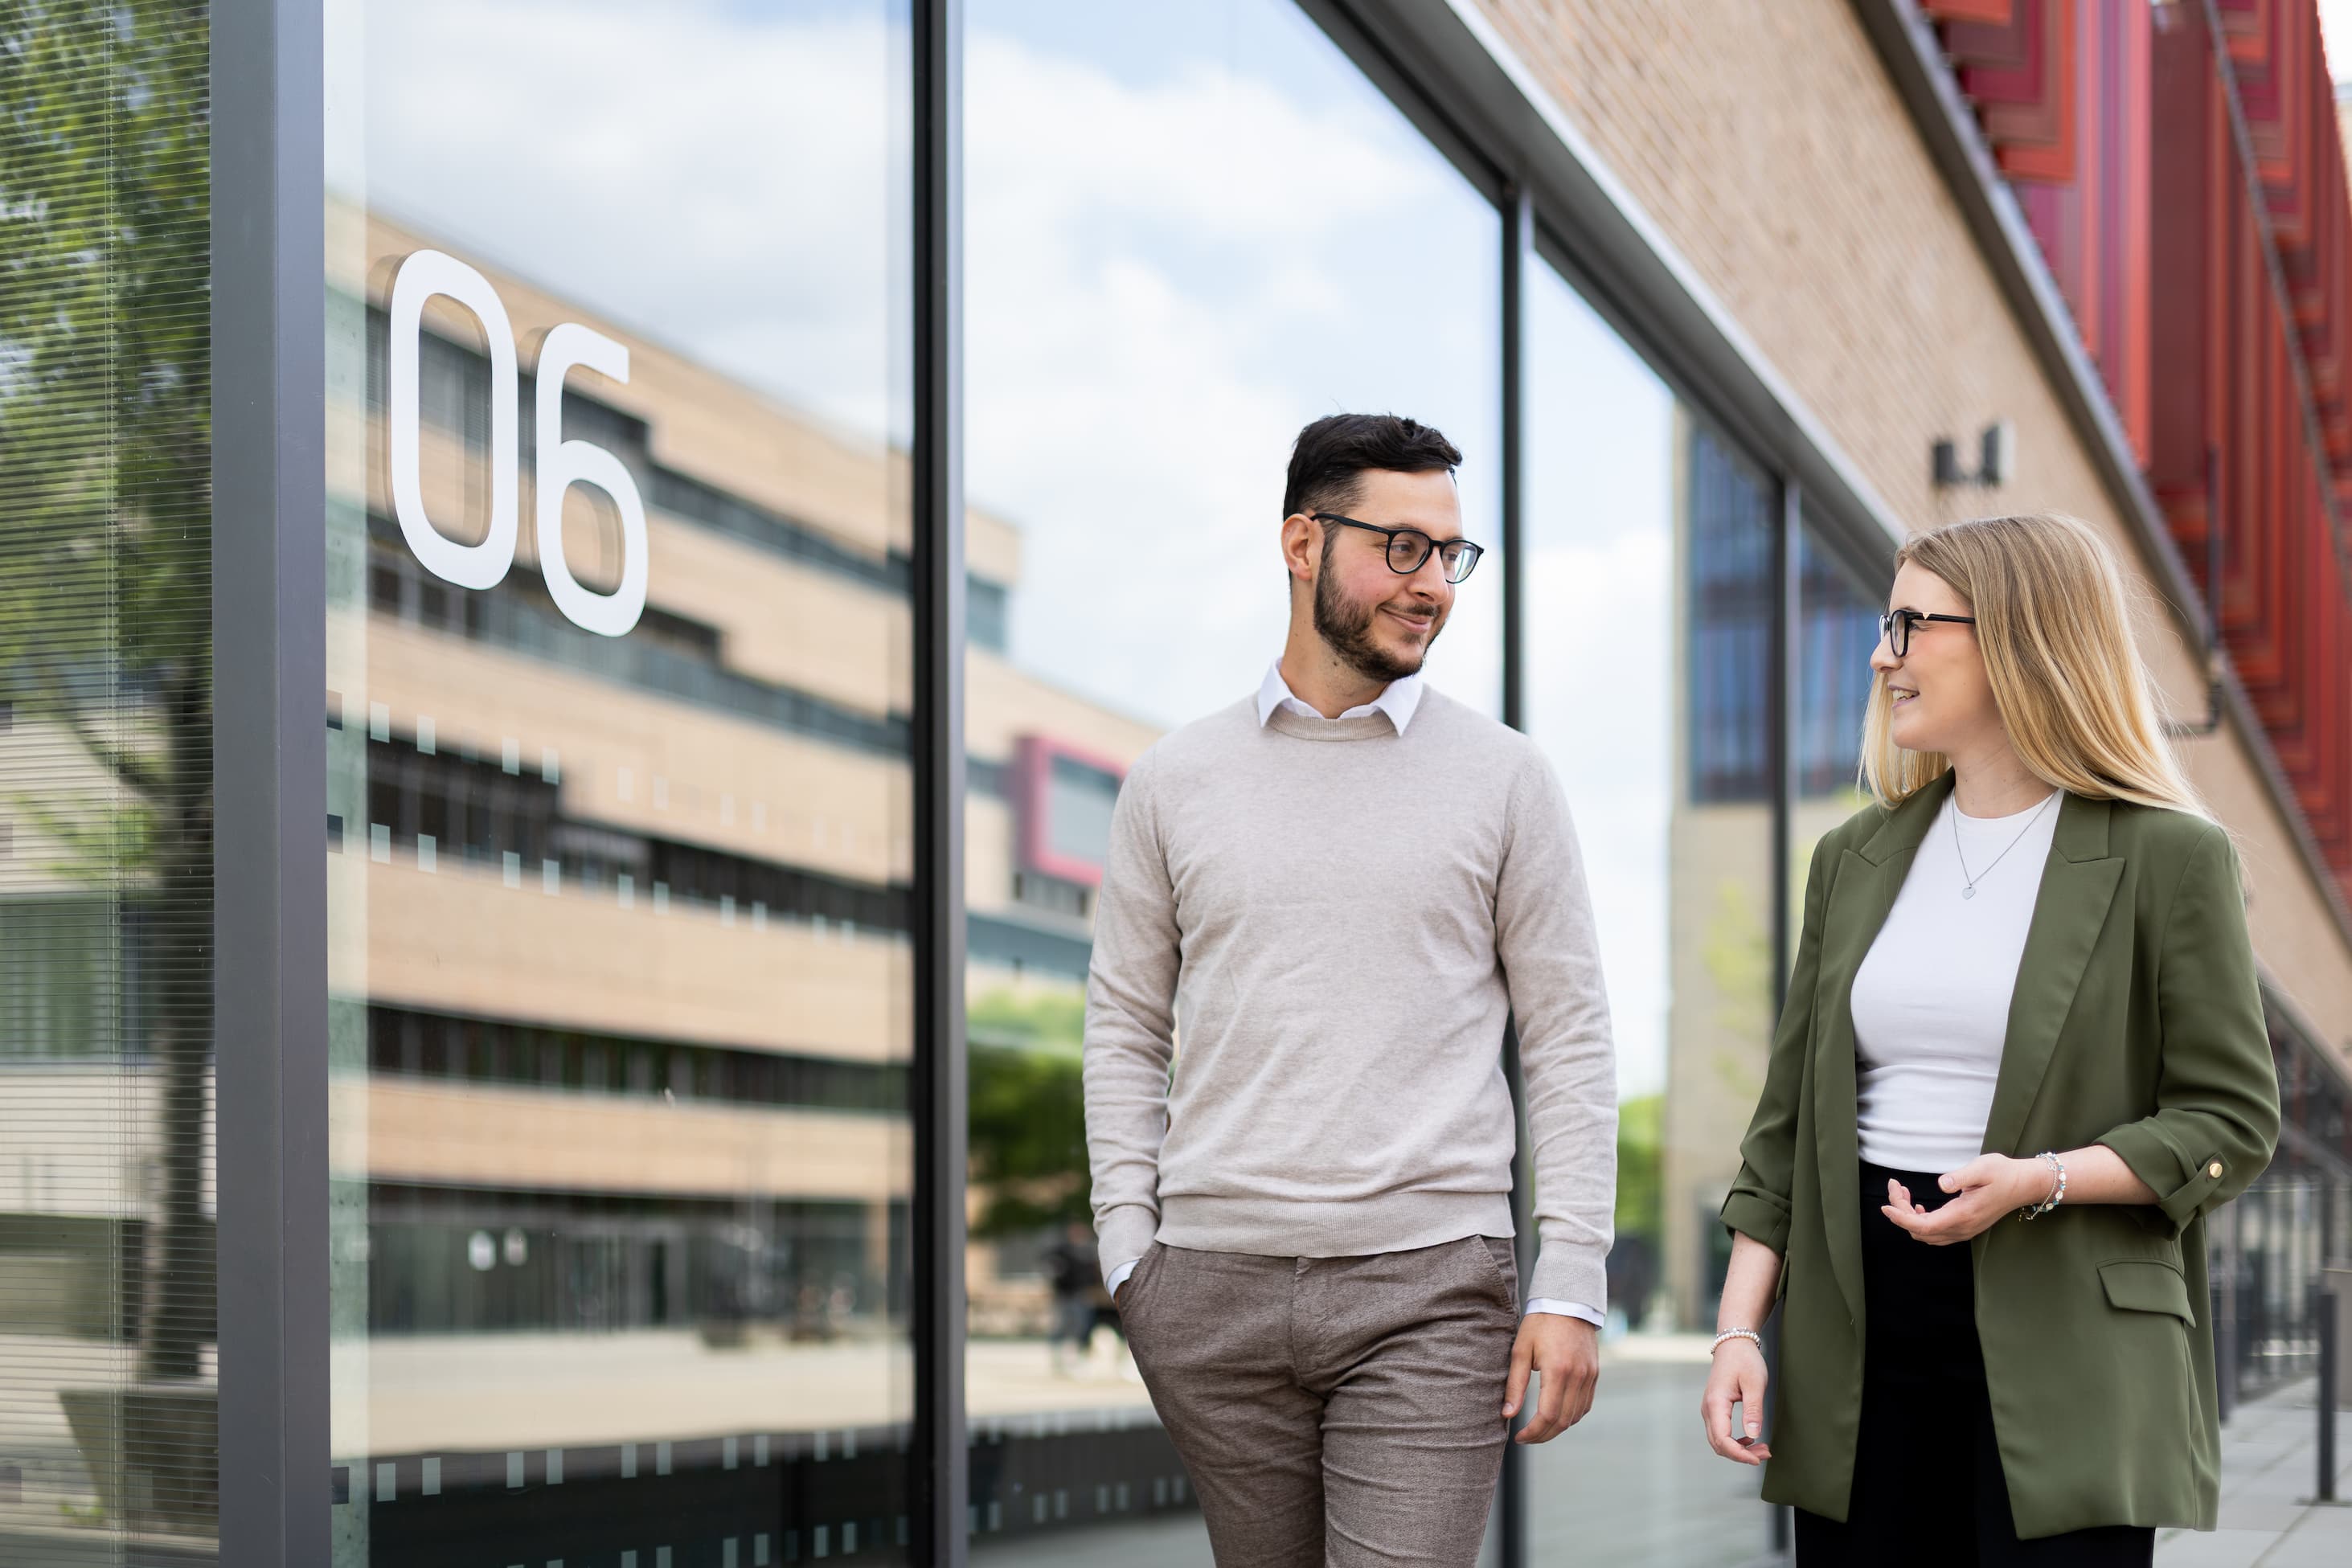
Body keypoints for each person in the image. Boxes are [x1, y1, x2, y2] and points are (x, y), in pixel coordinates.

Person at [1081, 413, 1619, 1567]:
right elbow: (1125, 1028)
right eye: (1400, 547)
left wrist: (1571, 1279)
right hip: (1208, 1292)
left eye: (1450, 555)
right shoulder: (1173, 781)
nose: (1431, 586)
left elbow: (1570, 1038)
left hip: (1429, 1289)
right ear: (1300, 543)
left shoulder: (1506, 778)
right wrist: (1131, 1250)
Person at [1700, 513, 2281, 1565]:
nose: (1881, 654)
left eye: (1909, 625)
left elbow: (2229, 1121)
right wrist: (1740, 1327)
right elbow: (1782, 1132)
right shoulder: (1854, 858)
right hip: (1860, 1330)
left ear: (2016, 636)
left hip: (2069, 1325)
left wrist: (2038, 1179)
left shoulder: (2168, 858)